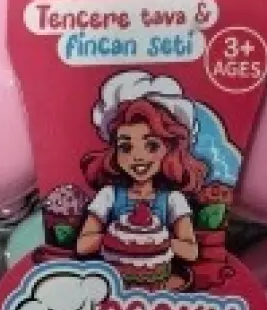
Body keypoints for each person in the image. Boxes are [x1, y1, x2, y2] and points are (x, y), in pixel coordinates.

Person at [76, 71, 207, 280]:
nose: (137, 157)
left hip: (158, 282)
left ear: (170, 150)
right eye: (126, 147)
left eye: (152, 146)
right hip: (112, 281)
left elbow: (191, 251)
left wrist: (152, 241)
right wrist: (121, 239)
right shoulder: (109, 195)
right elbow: (82, 245)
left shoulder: (172, 199)